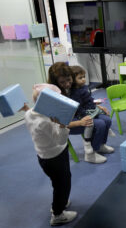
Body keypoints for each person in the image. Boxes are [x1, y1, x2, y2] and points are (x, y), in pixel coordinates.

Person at [22, 84, 77, 226]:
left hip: (43, 157)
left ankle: (61, 201)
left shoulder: (29, 113)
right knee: (63, 184)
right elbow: (61, 140)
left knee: (57, 182)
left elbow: (34, 117)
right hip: (55, 156)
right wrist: (63, 126)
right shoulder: (46, 121)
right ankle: (58, 214)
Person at [48, 62, 112, 164]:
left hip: (79, 115)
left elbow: (83, 103)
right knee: (99, 124)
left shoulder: (73, 88)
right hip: (66, 125)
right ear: (55, 83)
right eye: (62, 82)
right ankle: (90, 154)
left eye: (69, 80)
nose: (67, 84)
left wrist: (97, 107)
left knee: (107, 120)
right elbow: (57, 123)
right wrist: (80, 123)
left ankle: (99, 145)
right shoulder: (54, 96)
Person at [70, 65, 115, 156]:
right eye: (80, 78)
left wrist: (98, 107)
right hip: (83, 113)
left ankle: (101, 145)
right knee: (101, 124)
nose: (83, 79)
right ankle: (94, 149)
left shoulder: (84, 87)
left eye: (84, 77)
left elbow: (89, 99)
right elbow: (78, 107)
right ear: (73, 80)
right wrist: (85, 115)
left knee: (107, 120)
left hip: (91, 109)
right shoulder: (75, 92)